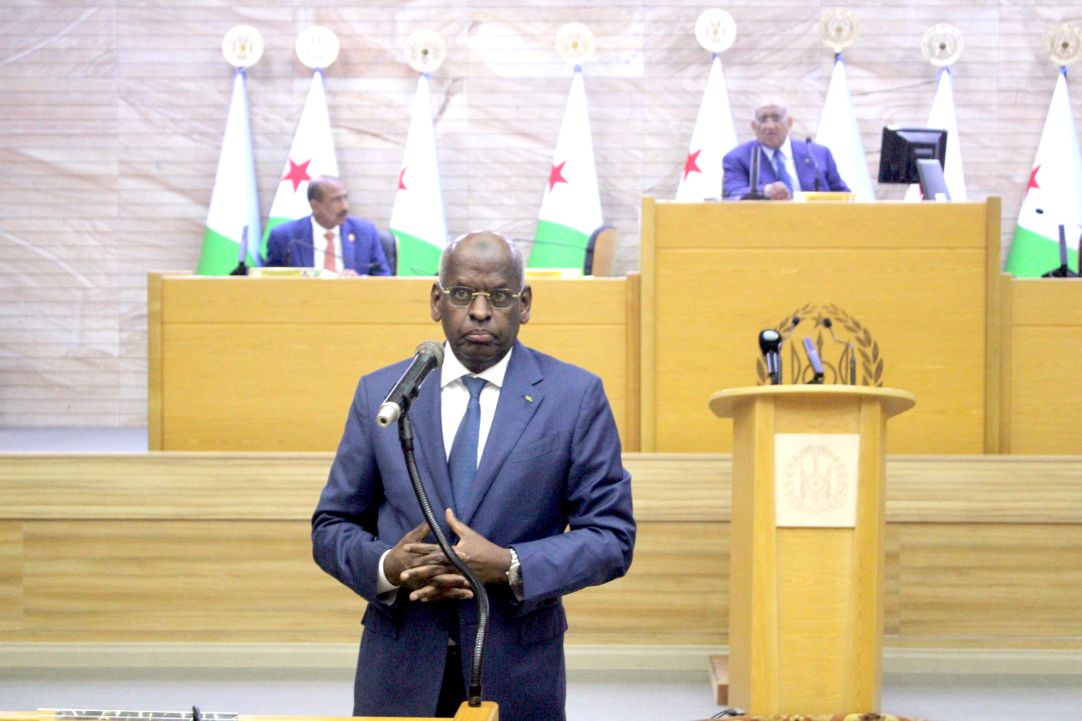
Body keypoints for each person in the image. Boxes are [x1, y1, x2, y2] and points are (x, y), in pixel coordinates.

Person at [311, 230, 636, 721]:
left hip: (517, 670)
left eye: (499, 296)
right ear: (437, 301)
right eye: (463, 294)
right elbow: (331, 526)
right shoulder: (384, 393)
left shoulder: (575, 396)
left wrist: (509, 564)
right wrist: (388, 567)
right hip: (399, 668)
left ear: (524, 304)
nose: (480, 311)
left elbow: (612, 537)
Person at [722, 98, 850, 200]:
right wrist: (765, 190)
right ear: (754, 126)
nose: (770, 126)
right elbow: (732, 193)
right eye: (763, 119)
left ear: (789, 122)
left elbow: (844, 195)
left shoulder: (818, 154)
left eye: (776, 118)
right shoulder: (738, 158)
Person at [263, 176, 392, 275]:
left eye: (345, 198)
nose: (345, 206)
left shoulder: (365, 233)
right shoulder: (285, 237)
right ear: (315, 206)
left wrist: (358, 281)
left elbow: (384, 278)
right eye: (336, 200)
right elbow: (270, 283)